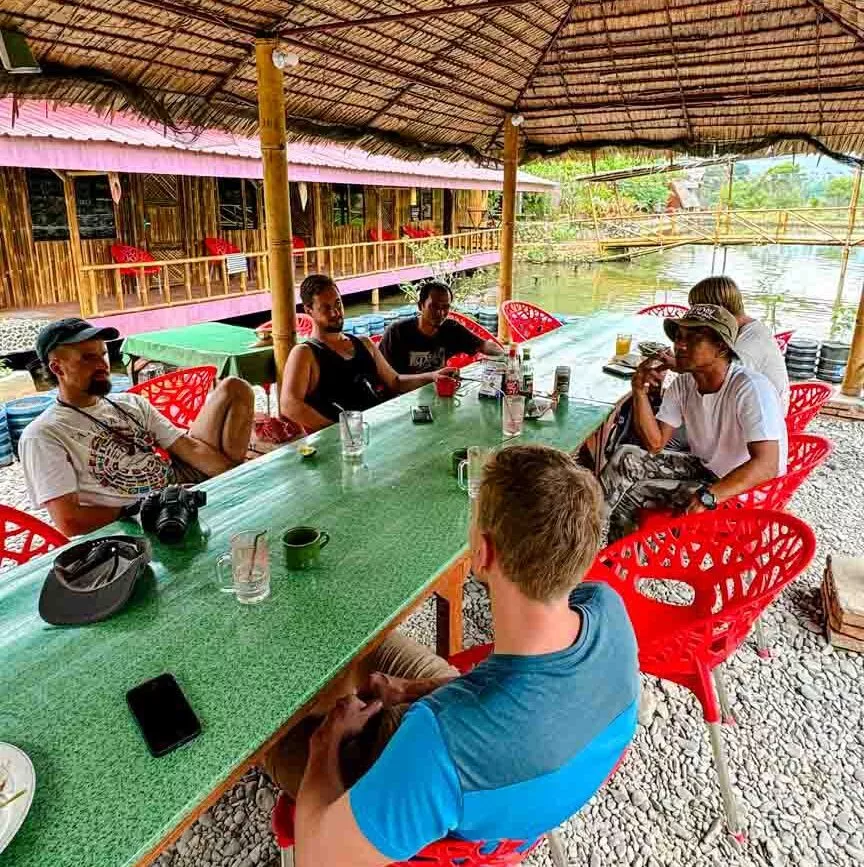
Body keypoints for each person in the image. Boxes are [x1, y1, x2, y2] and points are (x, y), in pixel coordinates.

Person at [263, 444, 639, 867]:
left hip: (439, 786)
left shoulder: (439, 745)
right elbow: (509, 691)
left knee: (269, 728)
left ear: (483, 552)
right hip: (516, 782)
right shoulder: (608, 609)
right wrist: (410, 690)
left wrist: (326, 738)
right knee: (366, 643)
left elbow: (319, 857)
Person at [20, 318, 254, 537]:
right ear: (57, 368)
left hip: (175, 483)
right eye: (88, 358)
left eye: (103, 354)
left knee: (235, 387)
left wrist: (236, 479)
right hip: (133, 519)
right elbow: (69, 521)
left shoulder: (130, 404)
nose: (102, 364)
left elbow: (187, 447)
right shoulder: (44, 435)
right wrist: (140, 509)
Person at [602, 304, 787, 542]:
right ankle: (581, 534)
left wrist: (709, 496)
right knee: (626, 455)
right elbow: (655, 443)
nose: (679, 345)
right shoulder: (683, 384)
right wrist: (639, 390)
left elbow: (766, 466)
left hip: (745, 490)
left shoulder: (749, 388)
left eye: (693, 339)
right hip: (708, 468)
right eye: (678, 337)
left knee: (634, 494)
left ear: (721, 346)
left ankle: (616, 567)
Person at [280, 274, 456, 433]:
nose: (335, 312)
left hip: (379, 430)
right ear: (308, 310)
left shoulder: (364, 343)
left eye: (338, 303)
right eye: (325, 308)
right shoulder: (305, 353)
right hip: (345, 442)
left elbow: (395, 382)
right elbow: (289, 405)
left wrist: (433, 376)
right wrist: (339, 432)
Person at [687, 275, 790, 410]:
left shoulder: (749, 343)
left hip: (762, 413)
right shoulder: (738, 329)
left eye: (700, 311)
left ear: (719, 309)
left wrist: (680, 366)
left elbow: (720, 381)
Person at [379, 280, 503, 373]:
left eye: (445, 307)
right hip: (403, 397)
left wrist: (506, 355)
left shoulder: (451, 328)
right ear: (420, 306)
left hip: (438, 391)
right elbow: (389, 378)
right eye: (434, 306)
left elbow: (483, 345)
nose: (440, 313)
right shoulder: (397, 332)